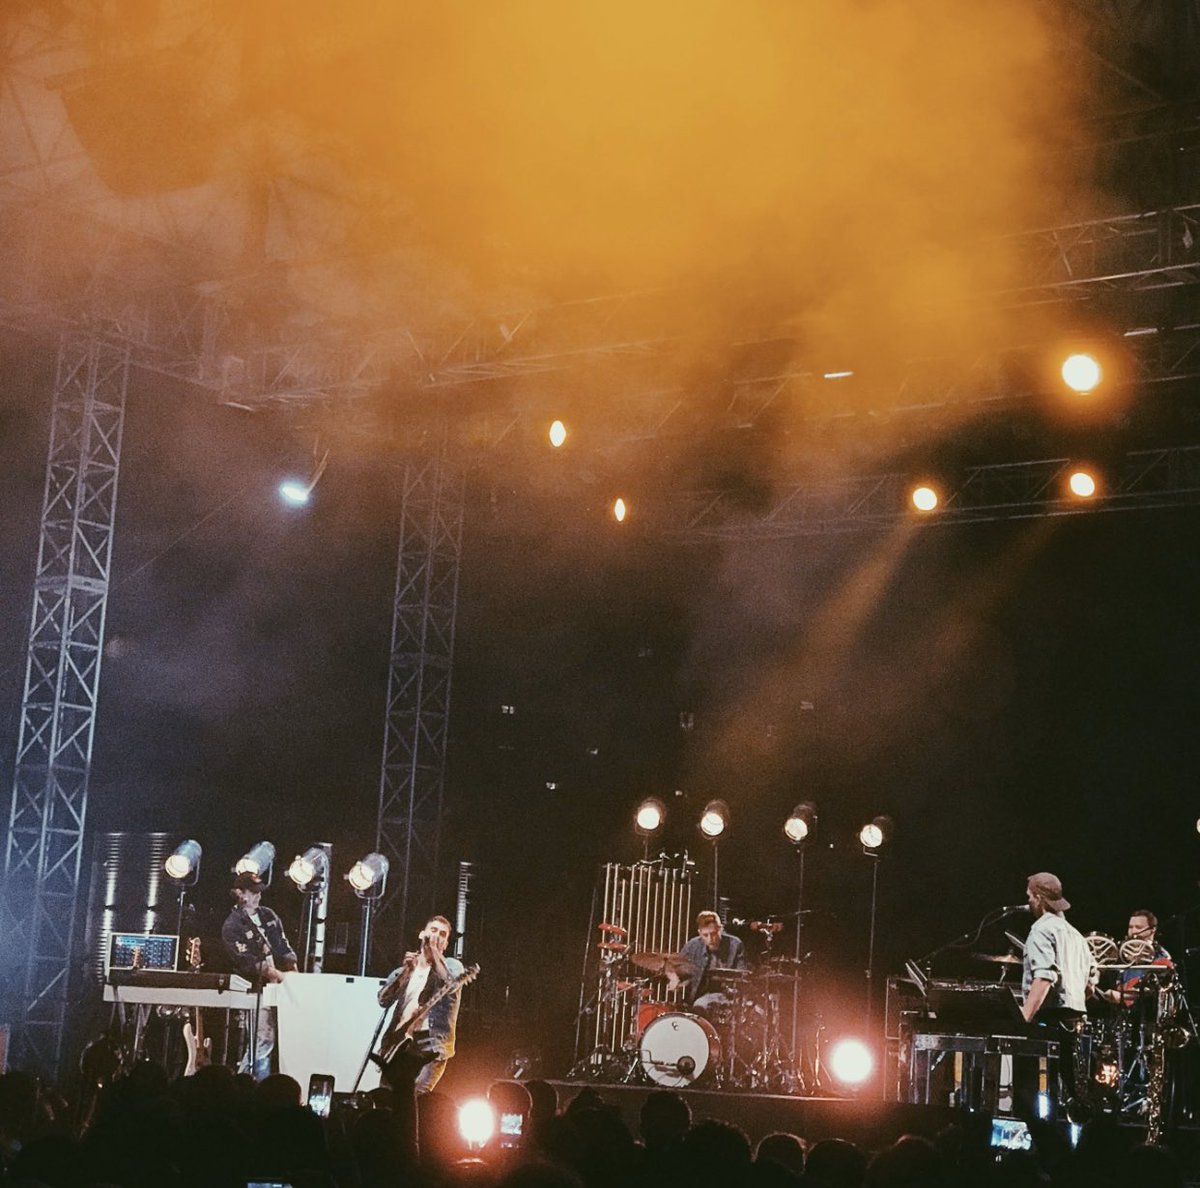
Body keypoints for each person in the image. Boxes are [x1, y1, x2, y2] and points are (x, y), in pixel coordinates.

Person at [220, 871, 298, 1079]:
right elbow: (247, 961)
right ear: (239, 893)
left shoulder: (268, 915)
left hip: (282, 986)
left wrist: (293, 971)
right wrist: (275, 974)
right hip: (255, 990)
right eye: (252, 893)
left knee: (278, 1038)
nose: (257, 897)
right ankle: (248, 1080)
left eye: (259, 892)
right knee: (262, 1038)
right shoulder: (233, 925)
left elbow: (283, 945)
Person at [377, 915, 465, 1094]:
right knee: (386, 1095)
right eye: (433, 931)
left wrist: (434, 951)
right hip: (401, 1042)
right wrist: (405, 973)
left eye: (442, 934)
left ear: (446, 943)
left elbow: (450, 984)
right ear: (422, 934)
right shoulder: (406, 968)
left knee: (418, 1098)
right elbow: (383, 1000)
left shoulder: (452, 965)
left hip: (430, 1043)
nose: (437, 936)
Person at [1021, 871, 1097, 1022]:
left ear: (1038, 898)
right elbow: (1090, 987)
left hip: (1049, 1018)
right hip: (1076, 1019)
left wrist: (1023, 1022)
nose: (1028, 902)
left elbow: (1044, 978)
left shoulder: (1041, 929)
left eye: (1029, 896)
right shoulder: (1078, 937)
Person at [667, 910, 748, 1016]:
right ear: (699, 933)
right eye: (705, 935)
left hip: (726, 996)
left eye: (714, 934)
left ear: (720, 929)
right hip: (695, 997)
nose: (711, 939)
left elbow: (743, 976)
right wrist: (674, 978)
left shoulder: (735, 944)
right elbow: (674, 966)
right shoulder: (692, 945)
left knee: (701, 1005)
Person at [1099, 909, 1173, 1007]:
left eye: (1138, 927)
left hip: (1147, 1014)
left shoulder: (1161, 955)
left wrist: (1122, 996)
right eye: (1130, 927)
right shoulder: (1121, 954)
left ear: (1152, 930)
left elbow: (1154, 991)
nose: (1133, 931)